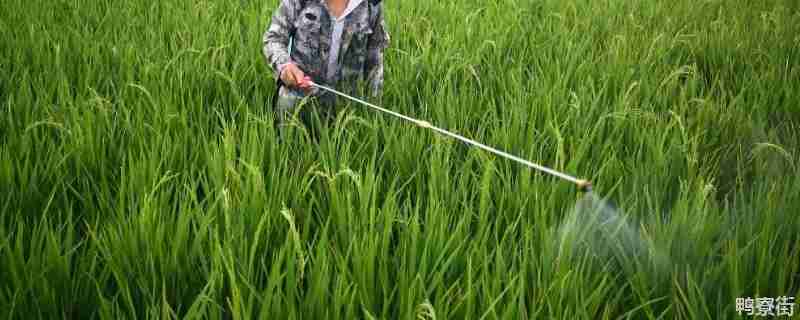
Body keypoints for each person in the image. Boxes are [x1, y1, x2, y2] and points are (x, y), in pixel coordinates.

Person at [263, 0, 390, 136]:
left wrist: (372, 114)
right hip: (296, 108)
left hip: (344, 118)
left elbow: (374, 61)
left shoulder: (371, 5)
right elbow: (274, 39)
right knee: (287, 153)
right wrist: (285, 66)